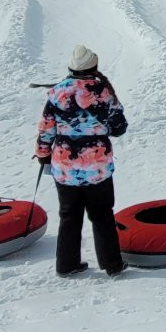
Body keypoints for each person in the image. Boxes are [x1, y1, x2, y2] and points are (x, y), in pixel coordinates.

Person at [35, 45, 128, 277]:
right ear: (94, 66)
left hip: (65, 167)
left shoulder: (57, 93)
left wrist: (43, 154)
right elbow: (119, 127)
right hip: (98, 167)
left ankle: (67, 264)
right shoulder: (104, 92)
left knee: (69, 215)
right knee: (102, 215)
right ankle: (112, 264)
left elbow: (46, 129)